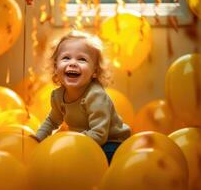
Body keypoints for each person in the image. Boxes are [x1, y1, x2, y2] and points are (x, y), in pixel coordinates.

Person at [32, 30, 131, 164]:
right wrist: (37, 139)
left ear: (95, 71)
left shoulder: (95, 96)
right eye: (66, 58)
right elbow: (52, 121)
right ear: (56, 67)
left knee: (92, 160)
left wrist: (72, 144)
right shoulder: (58, 96)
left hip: (111, 143)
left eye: (82, 59)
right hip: (84, 141)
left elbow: (99, 134)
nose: (73, 63)